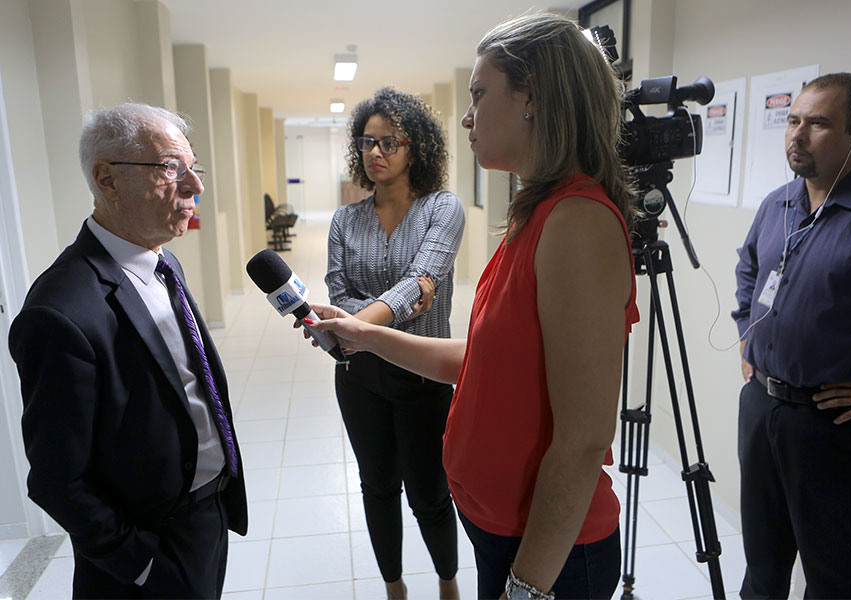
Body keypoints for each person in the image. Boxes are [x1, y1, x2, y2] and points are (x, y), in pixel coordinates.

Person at [303, 14, 638, 600]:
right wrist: (365, 334)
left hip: (546, 556)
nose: (466, 117)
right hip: (501, 530)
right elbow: (483, 358)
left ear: (531, 97)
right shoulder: (537, 214)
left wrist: (526, 588)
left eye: (479, 94)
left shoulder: (578, 223)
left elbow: (584, 440)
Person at [8, 103, 247, 599]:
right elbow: (56, 478)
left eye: (193, 168)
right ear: (107, 180)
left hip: (206, 515)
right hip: (146, 548)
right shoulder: (60, 313)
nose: (194, 186)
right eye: (170, 168)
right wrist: (141, 565)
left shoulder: (164, 262)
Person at [732, 73, 851, 599]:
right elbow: (749, 268)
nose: (797, 135)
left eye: (818, 123)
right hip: (761, 406)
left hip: (834, 425)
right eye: (793, 120)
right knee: (761, 565)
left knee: (832, 577)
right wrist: (747, 333)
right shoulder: (778, 203)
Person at [327, 87, 465, 599]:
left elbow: (421, 278)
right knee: (377, 486)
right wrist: (386, 313)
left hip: (422, 374)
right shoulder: (345, 220)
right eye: (367, 142)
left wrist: (356, 329)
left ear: (416, 148)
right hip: (359, 378)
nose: (376, 152)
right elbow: (339, 294)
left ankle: (448, 581)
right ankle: (393, 585)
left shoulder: (442, 208)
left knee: (429, 494)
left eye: (390, 142)